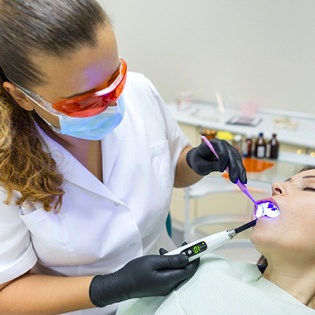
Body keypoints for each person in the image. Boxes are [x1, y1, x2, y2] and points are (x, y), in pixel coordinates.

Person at [0, 1, 247, 314]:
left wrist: (194, 162)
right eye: (83, 101)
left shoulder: (141, 92)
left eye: (114, 80)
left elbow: (173, 167)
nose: (110, 104)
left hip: (170, 295)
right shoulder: (4, 163)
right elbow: (6, 292)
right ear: (22, 96)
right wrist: (111, 286)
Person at [116, 165, 315, 314]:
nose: (276, 186)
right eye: (286, 181)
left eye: (309, 188)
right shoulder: (207, 266)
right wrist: (120, 287)